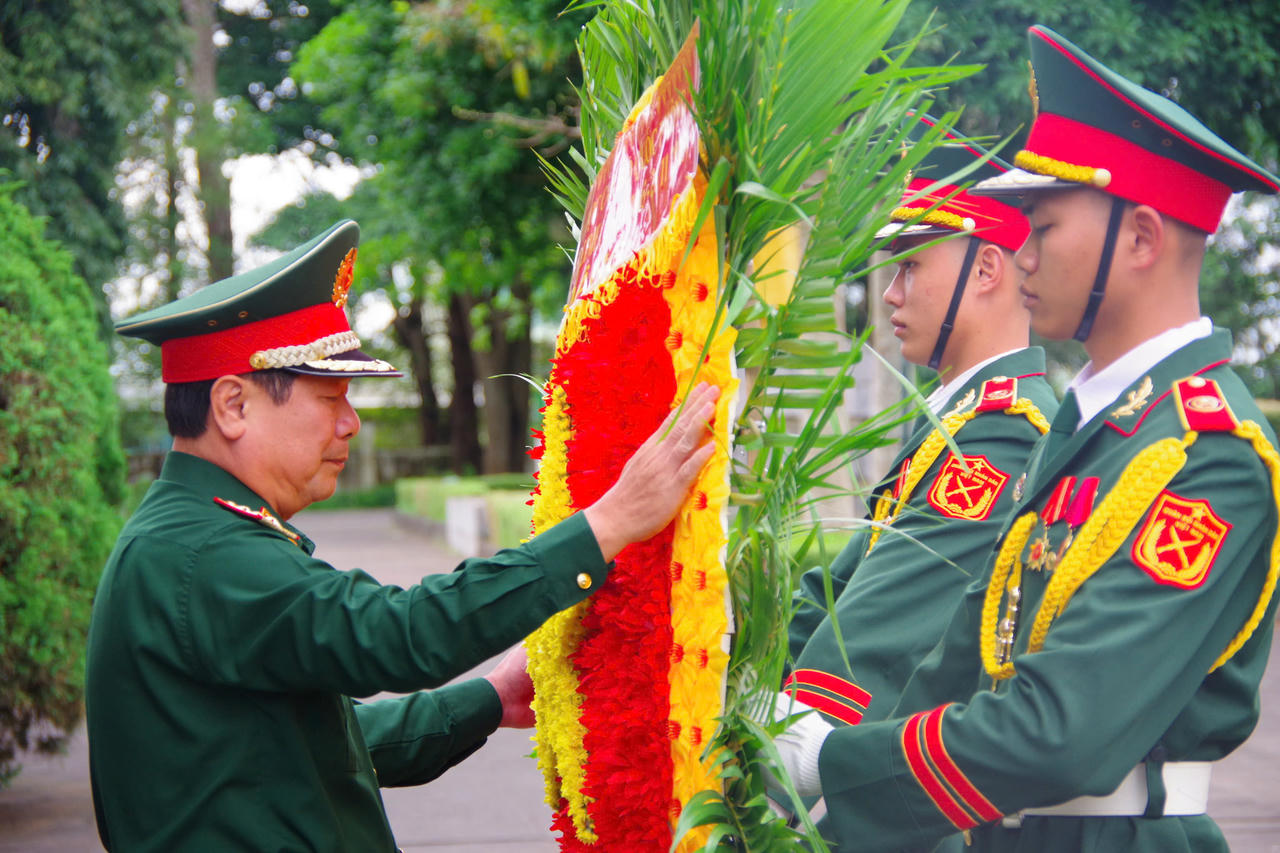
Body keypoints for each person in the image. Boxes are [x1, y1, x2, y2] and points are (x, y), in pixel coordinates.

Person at [773, 26, 1280, 852]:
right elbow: (956, 663)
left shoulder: (1209, 452)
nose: (1022, 254)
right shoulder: (1094, 426)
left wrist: (832, 761)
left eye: (1042, 228)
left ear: (1142, 238)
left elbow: (1062, 728)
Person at [85, 219, 720, 852]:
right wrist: (607, 524)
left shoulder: (189, 533)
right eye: (330, 397)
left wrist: (491, 700)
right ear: (233, 406)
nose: (351, 423)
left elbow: (313, 747)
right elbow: (397, 632)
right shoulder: (205, 552)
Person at [785, 114, 1057, 726]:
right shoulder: (961, 417)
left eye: (910, 265)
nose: (890, 292)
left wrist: (784, 733)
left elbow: (871, 637)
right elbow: (840, 587)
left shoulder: (1004, 429)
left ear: (986, 271)